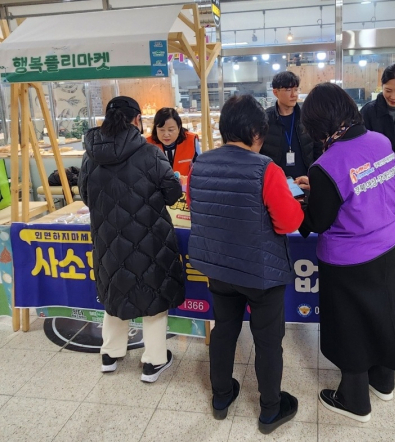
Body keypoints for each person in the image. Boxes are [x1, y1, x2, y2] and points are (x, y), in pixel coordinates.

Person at [188, 95, 303, 434]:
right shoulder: (266, 168)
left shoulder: (200, 164)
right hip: (260, 271)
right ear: (255, 131)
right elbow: (287, 222)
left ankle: (221, 397)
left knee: (224, 330)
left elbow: (196, 206)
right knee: (268, 340)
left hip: (219, 267)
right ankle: (270, 410)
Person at [297, 83, 395, 423]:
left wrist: (302, 203)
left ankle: (354, 400)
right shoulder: (382, 142)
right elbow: (368, 183)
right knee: (383, 314)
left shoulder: (325, 165)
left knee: (349, 326)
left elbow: (317, 221)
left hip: (348, 258)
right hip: (387, 245)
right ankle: (383, 382)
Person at [79, 96, 185, 383]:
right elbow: (173, 193)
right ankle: (153, 361)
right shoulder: (150, 154)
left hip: (107, 240)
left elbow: (86, 196)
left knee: (115, 292)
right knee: (154, 296)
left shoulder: (90, 155)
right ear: (137, 120)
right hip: (150, 238)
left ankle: (110, 355)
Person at [260, 71, 323, 183]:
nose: (294, 94)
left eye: (296, 89)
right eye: (288, 90)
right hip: (276, 183)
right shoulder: (264, 119)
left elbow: (318, 148)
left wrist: (315, 176)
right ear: (275, 92)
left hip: (305, 181)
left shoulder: (307, 116)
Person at [147, 107, 200, 178]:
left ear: (179, 128)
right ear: (155, 129)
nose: (166, 134)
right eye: (161, 130)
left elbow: (199, 169)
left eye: (171, 130)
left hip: (184, 187)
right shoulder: (147, 144)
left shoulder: (191, 141)